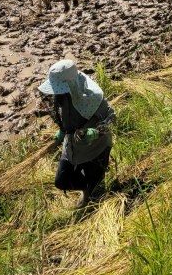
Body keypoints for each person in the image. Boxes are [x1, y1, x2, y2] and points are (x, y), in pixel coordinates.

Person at [38, 60, 116, 209]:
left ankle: (90, 197)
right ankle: (85, 188)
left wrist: (96, 132)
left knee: (94, 185)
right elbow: (64, 115)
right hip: (72, 145)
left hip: (95, 148)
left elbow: (112, 117)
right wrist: (63, 130)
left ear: (70, 84)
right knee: (62, 180)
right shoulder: (62, 95)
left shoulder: (92, 97)